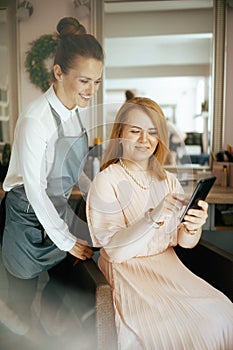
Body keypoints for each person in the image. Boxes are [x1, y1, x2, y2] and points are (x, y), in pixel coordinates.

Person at [86, 97, 233, 350]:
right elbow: (113, 251)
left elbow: (183, 242)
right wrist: (153, 217)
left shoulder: (169, 181)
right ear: (119, 134)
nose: (145, 140)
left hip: (170, 270)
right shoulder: (105, 181)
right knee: (179, 328)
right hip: (129, 274)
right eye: (135, 131)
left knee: (222, 312)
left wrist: (192, 227)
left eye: (152, 132)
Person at [0, 16, 103, 343]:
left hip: (56, 212)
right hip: (26, 217)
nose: (91, 91)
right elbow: (35, 190)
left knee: (66, 297)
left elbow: (76, 170)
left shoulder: (76, 113)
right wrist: (68, 240)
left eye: (97, 82)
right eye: (85, 81)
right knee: (18, 305)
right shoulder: (36, 120)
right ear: (58, 72)